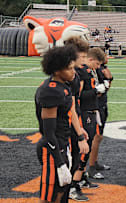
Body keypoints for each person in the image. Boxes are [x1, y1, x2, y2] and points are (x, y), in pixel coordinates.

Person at [35, 46, 77, 203]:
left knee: (61, 191)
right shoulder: (50, 91)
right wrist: (59, 162)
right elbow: (49, 132)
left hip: (62, 144)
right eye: (69, 68)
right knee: (49, 195)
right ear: (56, 70)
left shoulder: (63, 85)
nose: (73, 72)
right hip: (52, 148)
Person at [63, 37, 90, 202]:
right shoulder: (66, 76)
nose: (85, 60)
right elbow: (70, 106)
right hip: (61, 128)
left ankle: (72, 187)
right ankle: (70, 188)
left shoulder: (74, 75)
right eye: (82, 57)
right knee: (64, 162)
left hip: (70, 123)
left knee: (74, 158)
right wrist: (79, 132)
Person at [77, 48, 106, 183]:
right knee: (84, 148)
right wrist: (95, 91)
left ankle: (82, 177)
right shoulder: (82, 72)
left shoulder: (89, 71)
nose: (98, 67)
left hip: (92, 110)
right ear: (90, 59)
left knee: (88, 146)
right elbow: (78, 96)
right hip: (85, 112)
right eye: (97, 64)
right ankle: (75, 182)